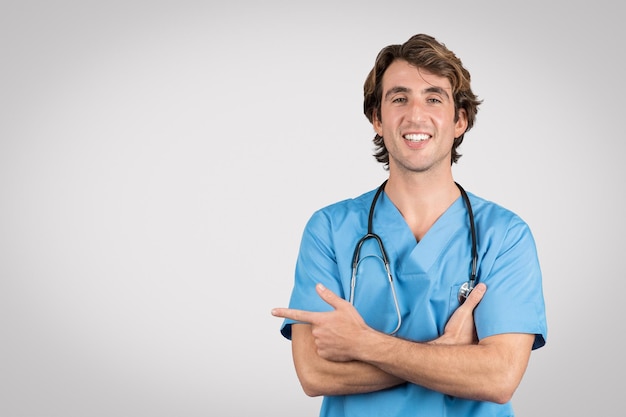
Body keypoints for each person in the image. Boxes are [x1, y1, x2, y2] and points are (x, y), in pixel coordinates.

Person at [271, 33, 547, 417]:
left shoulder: (505, 235)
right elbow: (314, 373)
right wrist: (446, 354)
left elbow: (498, 378)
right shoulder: (329, 229)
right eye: (399, 98)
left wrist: (364, 344)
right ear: (378, 120)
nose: (416, 115)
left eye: (434, 98)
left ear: (459, 121)